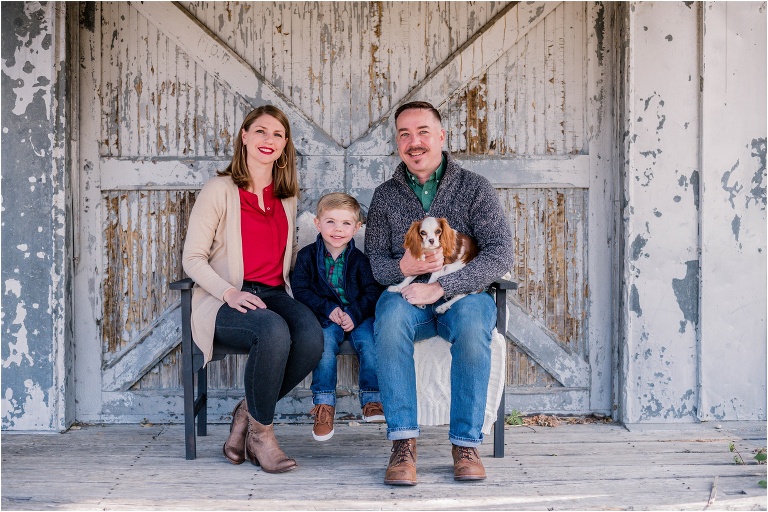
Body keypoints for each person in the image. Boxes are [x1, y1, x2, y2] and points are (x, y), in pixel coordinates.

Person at [365, 101, 514, 485]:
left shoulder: (474, 188)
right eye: (404, 134)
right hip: (406, 297)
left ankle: (466, 444)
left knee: (471, 324)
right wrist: (405, 268)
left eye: (423, 132)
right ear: (397, 142)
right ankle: (403, 444)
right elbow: (376, 263)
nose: (414, 142)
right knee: (391, 318)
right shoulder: (385, 195)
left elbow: (499, 252)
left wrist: (442, 286)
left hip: (463, 294)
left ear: (441, 137)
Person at [182, 105, 323, 474]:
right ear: (244, 136)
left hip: (275, 293)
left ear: (285, 145)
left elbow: (288, 255)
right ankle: (262, 436)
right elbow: (192, 259)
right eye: (260, 131)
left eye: (277, 135)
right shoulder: (219, 190)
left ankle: (246, 412)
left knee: (310, 337)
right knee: (272, 330)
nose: (268, 140)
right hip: (223, 299)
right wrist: (229, 292)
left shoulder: (286, 195)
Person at [292, 193, 385, 441]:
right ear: (317, 223)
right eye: (330, 222)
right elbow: (300, 290)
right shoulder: (307, 257)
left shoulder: (361, 261)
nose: (337, 230)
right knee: (324, 346)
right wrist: (327, 308)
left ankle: (372, 400)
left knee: (370, 341)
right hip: (326, 317)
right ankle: (324, 406)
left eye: (346, 224)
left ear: (357, 227)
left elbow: (373, 291)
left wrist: (354, 313)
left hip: (358, 315)